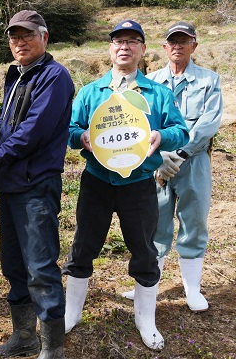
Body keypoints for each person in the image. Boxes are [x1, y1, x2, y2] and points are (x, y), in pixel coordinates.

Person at [62, 20, 189, 351]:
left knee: (145, 250)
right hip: (97, 182)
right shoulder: (91, 92)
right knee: (83, 246)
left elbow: (181, 130)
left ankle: (145, 319)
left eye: (133, 41)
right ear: (110, 48)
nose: (125, 46)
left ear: (143, 50)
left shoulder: (158, 94)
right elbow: (70, 128)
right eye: (118, 40)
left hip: (139, 184)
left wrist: (163, 136)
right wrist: (81, 137)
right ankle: (70, 313)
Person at [0, 10, 74, 358]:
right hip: (12, 184)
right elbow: (15, 128)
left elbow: (33, 132)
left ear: (44, 37)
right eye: (14, 37)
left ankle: (53, 348)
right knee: (14, 264)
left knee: (41, 265)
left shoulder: (54, 77)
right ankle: (25, 336)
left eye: (27, 35)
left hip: (36, 186)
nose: (19, 42)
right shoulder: (18, 76)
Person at [121, 21, 223, 312]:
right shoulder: (150, 81)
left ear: (194, 45)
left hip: (193, 162)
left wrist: (179, 153)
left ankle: (193, 290)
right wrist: (159, 156)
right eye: (172, 42)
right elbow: (138, 122)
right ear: (164, 48)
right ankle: (148, 285)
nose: (178, 46)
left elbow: (208, 123)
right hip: (157, 163)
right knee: (154, 223)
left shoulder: (208, 80)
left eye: (184, 41)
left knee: (194, 221)